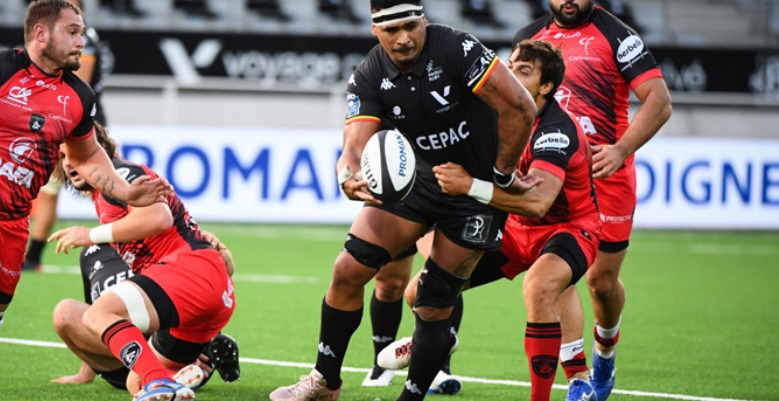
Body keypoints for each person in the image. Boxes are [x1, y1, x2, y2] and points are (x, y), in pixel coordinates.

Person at [269, 1, 538, 400]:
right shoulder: (369, 73)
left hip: (472, 192)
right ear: (375, 30)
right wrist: (347, 173)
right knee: (347, 270)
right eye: (392, 30)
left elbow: (520, 107)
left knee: (433, 301)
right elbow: (354, 144)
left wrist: (502, 175)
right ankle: (325, 382)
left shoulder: (458, 49)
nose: (404, 38)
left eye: (411, 25)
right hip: (416, 181)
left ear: (424, 20)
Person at [0, 2, 171, 400]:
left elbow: (87, 156)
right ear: (41, 34)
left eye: (82, 32)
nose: (82, 41)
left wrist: (127, 191)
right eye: (73, 32)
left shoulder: (78, 95)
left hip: (11, 223)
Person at [382, 39, 603, 401]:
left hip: (570, 229)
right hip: (514, 229)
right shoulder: (490, 115)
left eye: (524, 71)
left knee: (540, 286)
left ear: (547, 87)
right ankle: (441, 339)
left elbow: (538, 204)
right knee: (421, 292)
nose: (511, 74)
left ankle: (549, 393)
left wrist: (469, 185)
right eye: (510, 66)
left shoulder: (555, 130)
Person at [514, 2, 672, 400]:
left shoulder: (618, 36)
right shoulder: (530, 38)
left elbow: (659, 100)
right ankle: (578, 377)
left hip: (607, 174)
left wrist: (621, 150)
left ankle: (606, 346)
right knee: (557, 269)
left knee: (601, 282)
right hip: (556, 172)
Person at [48, 123, 236, 400]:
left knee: (97, 315)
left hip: (189, 271)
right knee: (135, 382)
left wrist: (89, 235)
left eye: (74, 152)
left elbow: (159, 218)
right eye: (62, 157)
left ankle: (161, 380)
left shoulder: (120, 175)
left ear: (98, 149)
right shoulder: (107, 194)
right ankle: (177, 379)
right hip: (210, 293)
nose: (68, 163)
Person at [22, 0, 110, 271]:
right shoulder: (67, 38)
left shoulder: (84, 41)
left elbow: (80, 86)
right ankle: (33, 257)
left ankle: (123, 242)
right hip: (61, 120)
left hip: (84, 124)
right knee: (50, 190)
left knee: (104, 187)